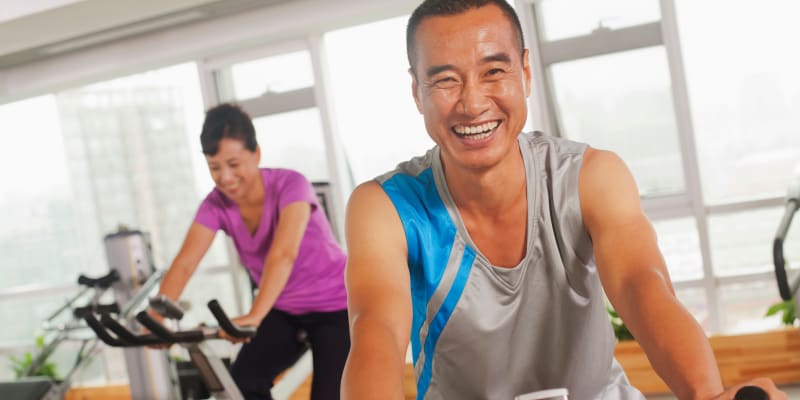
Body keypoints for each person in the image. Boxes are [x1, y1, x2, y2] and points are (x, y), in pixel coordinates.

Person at [340, 1, 786, 399]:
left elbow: (641, 283)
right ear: (417, 92)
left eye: (494, 71)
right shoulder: (384, 208)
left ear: (526, 72)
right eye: (445, 81)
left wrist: (707, 394)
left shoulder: (591, 176)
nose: (473, 103)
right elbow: (375, 328)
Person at [155, 103, 349, 400]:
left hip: (337, 306)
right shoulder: (215, 204)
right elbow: (185, 263)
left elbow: (284, 253)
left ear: (256, 153)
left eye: (233, 164)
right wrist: (157, 316)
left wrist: (255, 315)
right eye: (214, 167)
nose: (225, 177)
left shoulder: (292, 185)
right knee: (242, 386)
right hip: (284, 308)